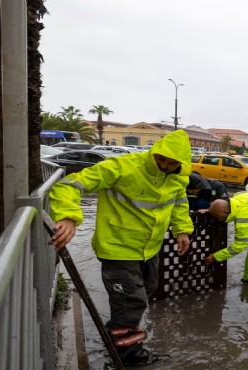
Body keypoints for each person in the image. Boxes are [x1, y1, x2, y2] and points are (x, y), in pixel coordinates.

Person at [48, 130, 194, 366]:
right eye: (162, 160)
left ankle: (117, 331)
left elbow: (179, 204)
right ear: (154, 153)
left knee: (144, 292)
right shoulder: (122, 166)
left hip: (149, 249)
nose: (165, 167)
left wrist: (182, 231)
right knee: (131, 301)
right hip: (118, 247)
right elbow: (71, 184)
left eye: (172, 163)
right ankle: (129, 355)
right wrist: (68, 217)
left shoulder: (178, 177)